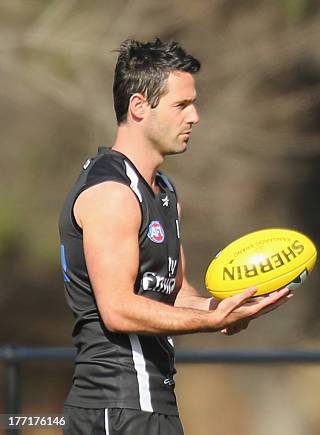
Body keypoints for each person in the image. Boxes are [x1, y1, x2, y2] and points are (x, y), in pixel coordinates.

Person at [58, 38, 292, 435]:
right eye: (181, 105)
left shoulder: (164, 193)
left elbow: (176, 292)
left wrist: (225, 308)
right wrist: (208, 321)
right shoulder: (112, 193)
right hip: (115, 405)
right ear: (138, 108)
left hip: (156, 402)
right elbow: (117, 309)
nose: (195, 116)